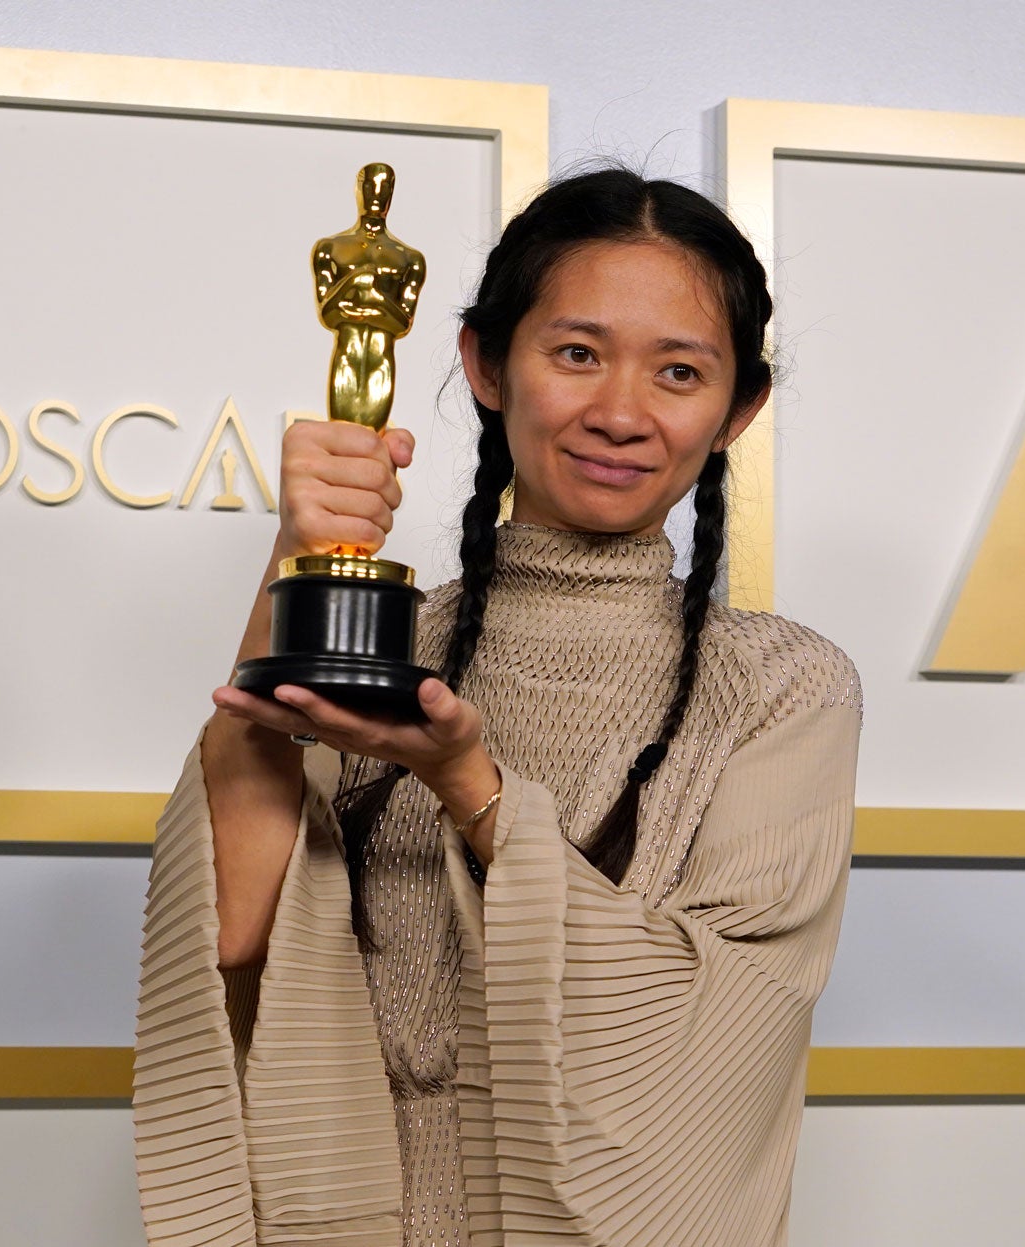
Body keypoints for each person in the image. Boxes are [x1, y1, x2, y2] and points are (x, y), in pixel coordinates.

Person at [133, 167, 863, 1247]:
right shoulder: (401, 643)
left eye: (678, 371)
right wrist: (298, 557)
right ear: (485, 362)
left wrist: (470, 785)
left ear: (737, 409)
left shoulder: (782, 686)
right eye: (576, 352)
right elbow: (235, 936)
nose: (619, 411)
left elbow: (716, 1047)